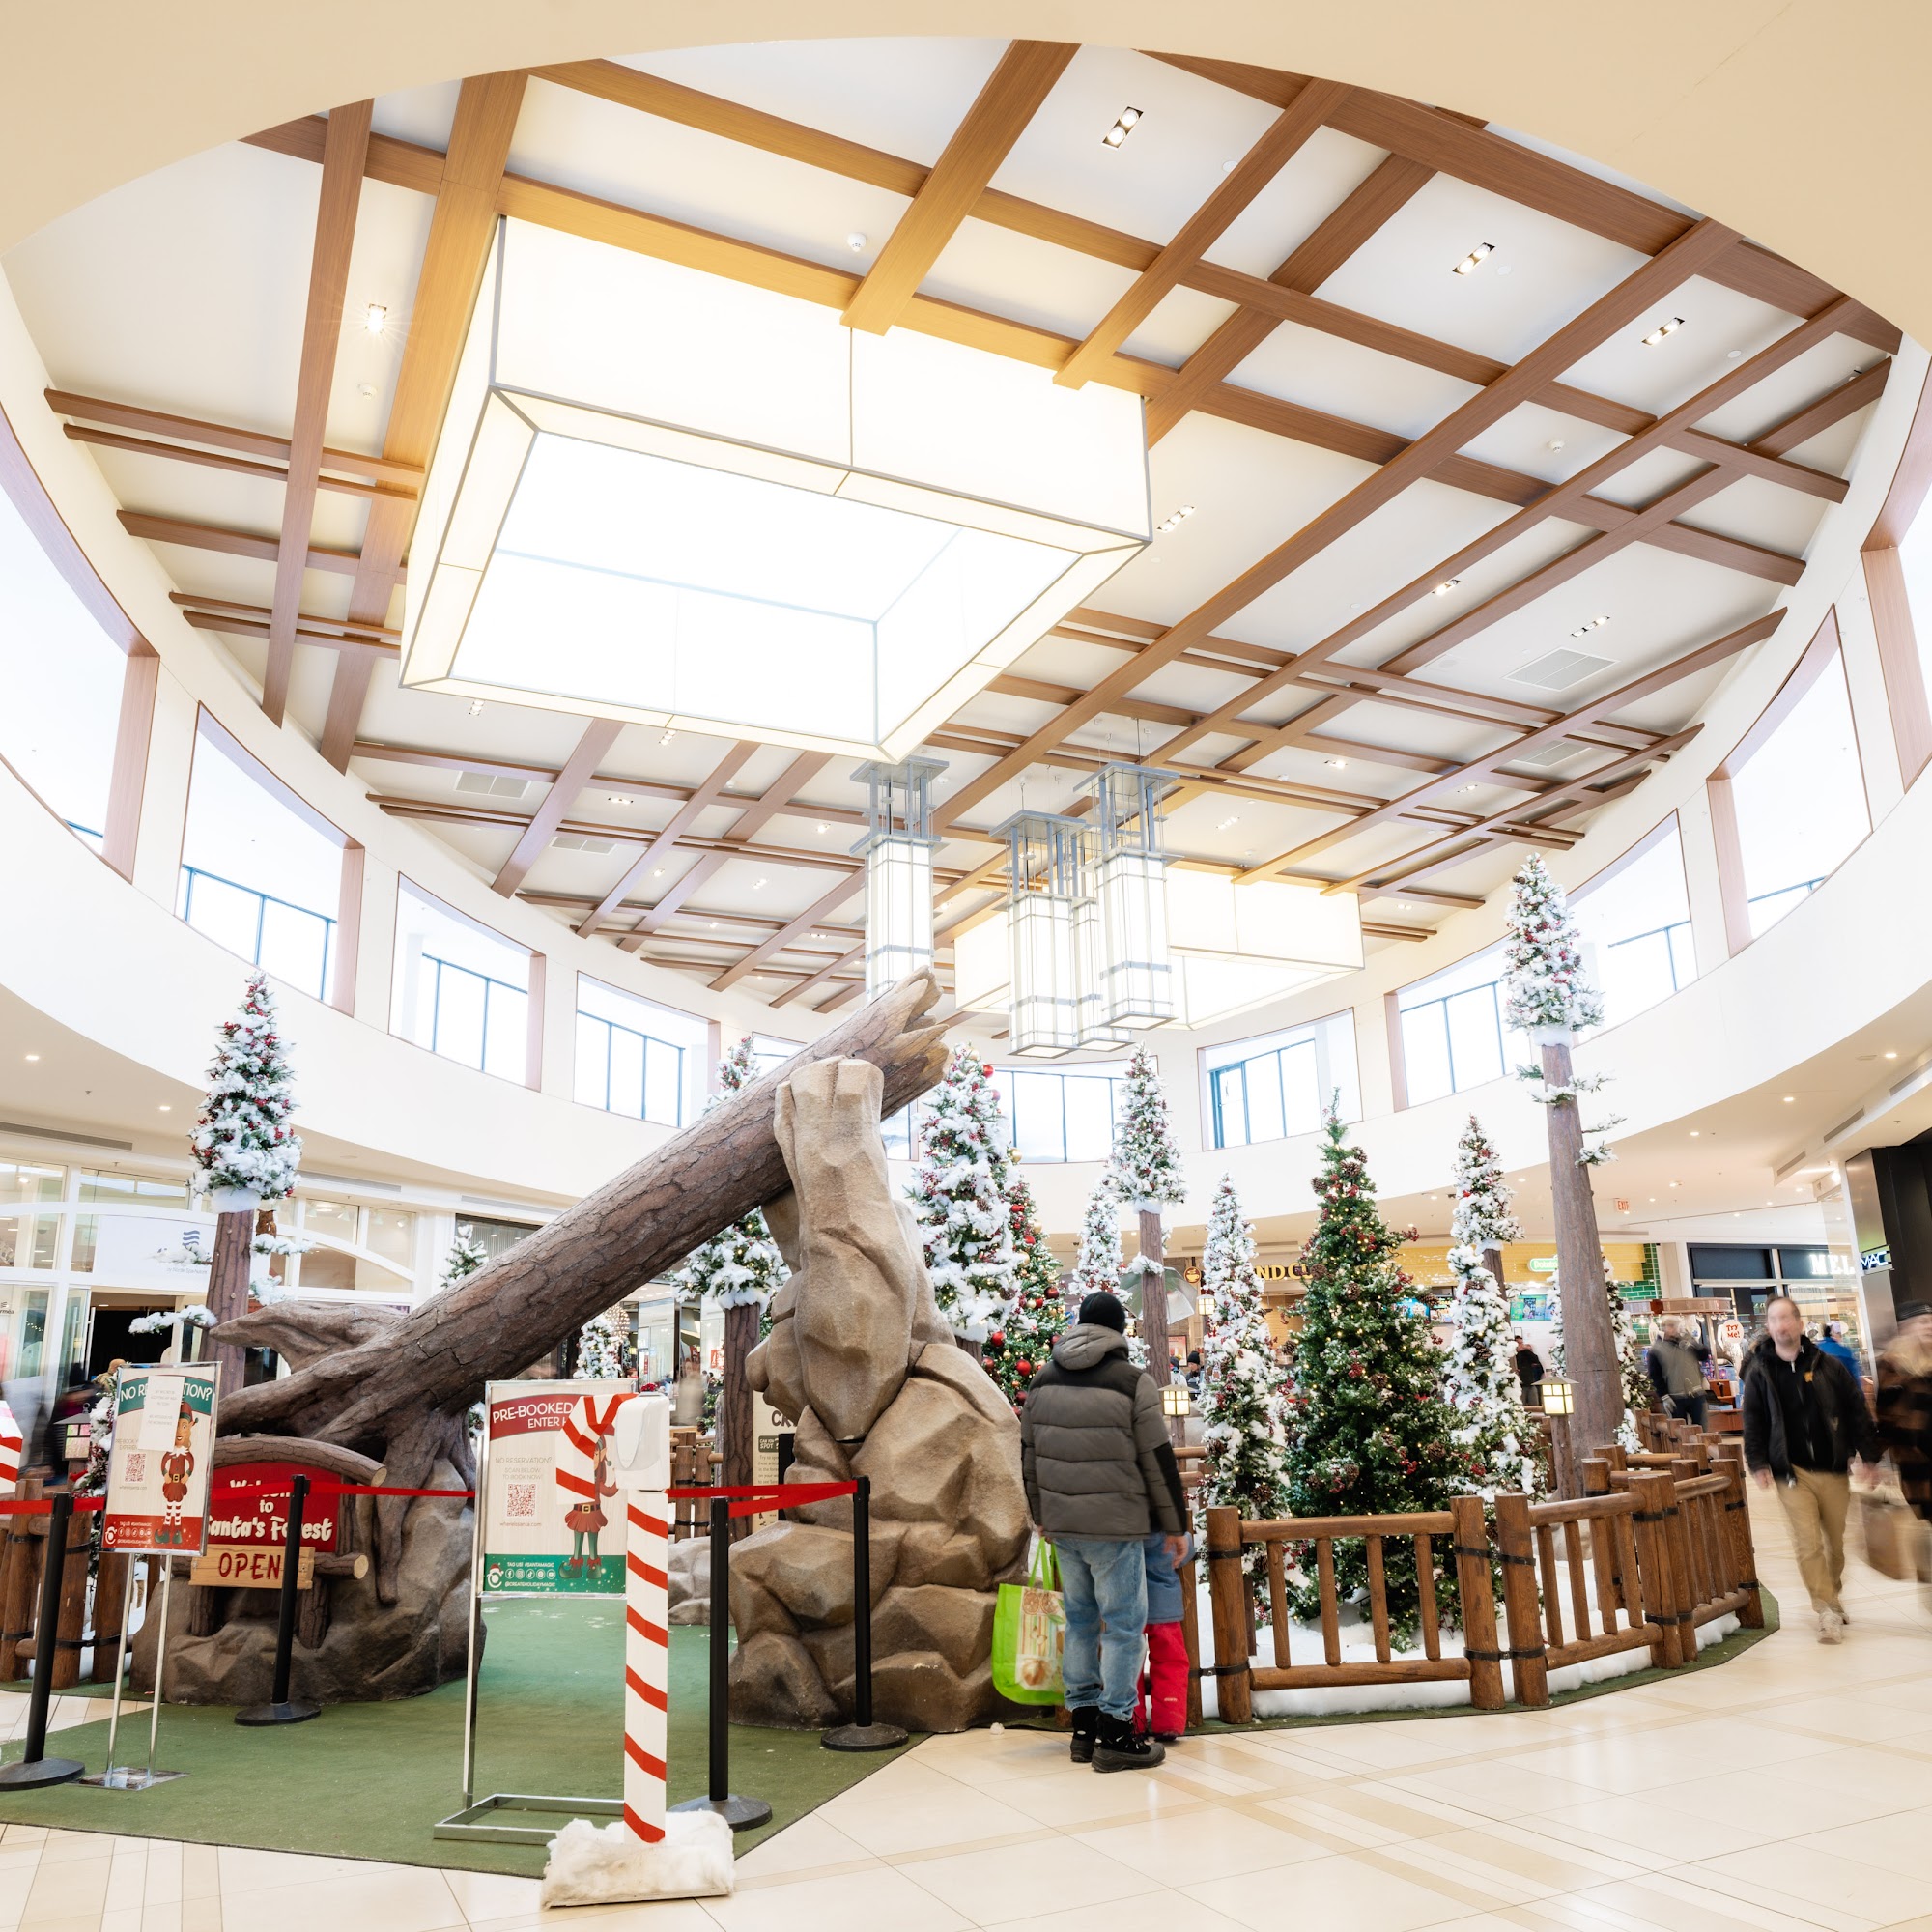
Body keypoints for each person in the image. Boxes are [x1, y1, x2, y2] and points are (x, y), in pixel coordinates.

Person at [1020, 1289, 1187, 1773]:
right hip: (1115, 1527)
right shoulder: (1133, 1382)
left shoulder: (1043, 1380)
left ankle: (1083, 1728)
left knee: (1080, 1622)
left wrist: (1042, 1515)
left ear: (1079, 1325)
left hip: (1064, 1525)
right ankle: (1116, 1731)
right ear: (1118, 1331)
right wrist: (1175, 1524)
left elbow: (1028, 1456)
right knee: (1123, 1627)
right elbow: (1156, 1458)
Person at [1741, 1293, 1880, 1642]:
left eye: (1787, 1318)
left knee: (1835, 1543)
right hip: (1791, 1471)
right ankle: (1825, 1609)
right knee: (1807, 1542)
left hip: (1832, 1467)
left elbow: (1856, 1409)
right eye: (1774, 1319)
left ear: (1800, 1323)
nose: (1781, 1325)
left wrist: (1869, 1456)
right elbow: (1753, 1420)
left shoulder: (1827, 1365)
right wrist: (1757, 1462)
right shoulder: (1760, 1372)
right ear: (1768, 1326)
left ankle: (1831, 1593)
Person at [1876, 1302, 1932, 1581]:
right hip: (1920, 1471)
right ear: (1906, 1328)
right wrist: (1872, 1461)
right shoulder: (1893, 1367)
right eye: (1922, 1321)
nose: (1929, 1326)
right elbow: (1885, 1421)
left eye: (1931, 1320)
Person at [1136, 1522, 1192, 1744]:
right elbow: (1187, 1550)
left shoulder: (1123, 1530)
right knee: (1171, 1662)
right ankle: (1170, 1719)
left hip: (1129, 1609)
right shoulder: (1167, 1533)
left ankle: (1131, 1719)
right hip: (1166, 1611)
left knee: (1128, 1663)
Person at [1646, 1317, 1710, 1429]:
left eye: (1675, 1325)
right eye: (1670, 1325)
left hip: (1696, 1393)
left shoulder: (1687, 1342)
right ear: (1664, 1328)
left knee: (1701, 1429)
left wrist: (1694, 1344)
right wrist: (1664, 1396)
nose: (1673, 1328)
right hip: (1675, 1397)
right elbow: (1655, 1375)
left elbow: (1704, 1356)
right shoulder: (1656, 1350)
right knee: (1678, 1431)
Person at [1513, 1334, 1545, 1406]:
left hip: (1530, 1382)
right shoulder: (1513, 1355)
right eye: (1519, 1343)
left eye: (1522, 1343)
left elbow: (1535, 1360)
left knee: (1535, 1405)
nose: (1521, 1345)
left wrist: (1526, 1350)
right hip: (1520, 1385)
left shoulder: (1526, 1353)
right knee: (1521, 1405)